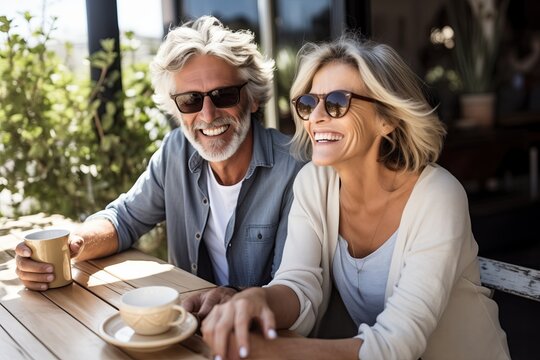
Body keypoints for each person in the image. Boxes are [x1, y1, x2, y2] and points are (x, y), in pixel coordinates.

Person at [200, 35, 510, 360]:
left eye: (336, 102)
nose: (316, 117)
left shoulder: (438, 196)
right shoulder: (313, 183)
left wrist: (271, 350)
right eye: (308, 103)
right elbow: (299, 283)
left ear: (387, 119)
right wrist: (255, 301)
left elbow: (396, 343)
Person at [14, 16, 304, 318]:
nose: (207, 115)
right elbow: (123, 219)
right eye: (191, 100)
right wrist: (74, 245)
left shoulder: (295, 172)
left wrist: (234, 299)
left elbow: (294, 288)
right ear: (175, 110)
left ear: (253, 99)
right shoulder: (175, 151)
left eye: (224, 95)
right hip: (184, 327)